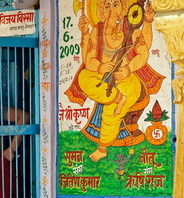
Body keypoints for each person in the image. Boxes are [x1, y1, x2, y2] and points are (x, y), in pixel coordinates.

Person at [65, 0, 164, 161]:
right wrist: (100, 66)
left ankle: (103, 148)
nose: (110, 9)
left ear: (123, 8)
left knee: (112, 110)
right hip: (103, 76)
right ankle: (117, 98)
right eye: (106, 6)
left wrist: (128, 69)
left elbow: (143, 54)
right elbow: (88, 60)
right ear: (101, 10)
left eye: (115, 5)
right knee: (84, 77)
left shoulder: (130, 27)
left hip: (126, 78)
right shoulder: (98, 30)